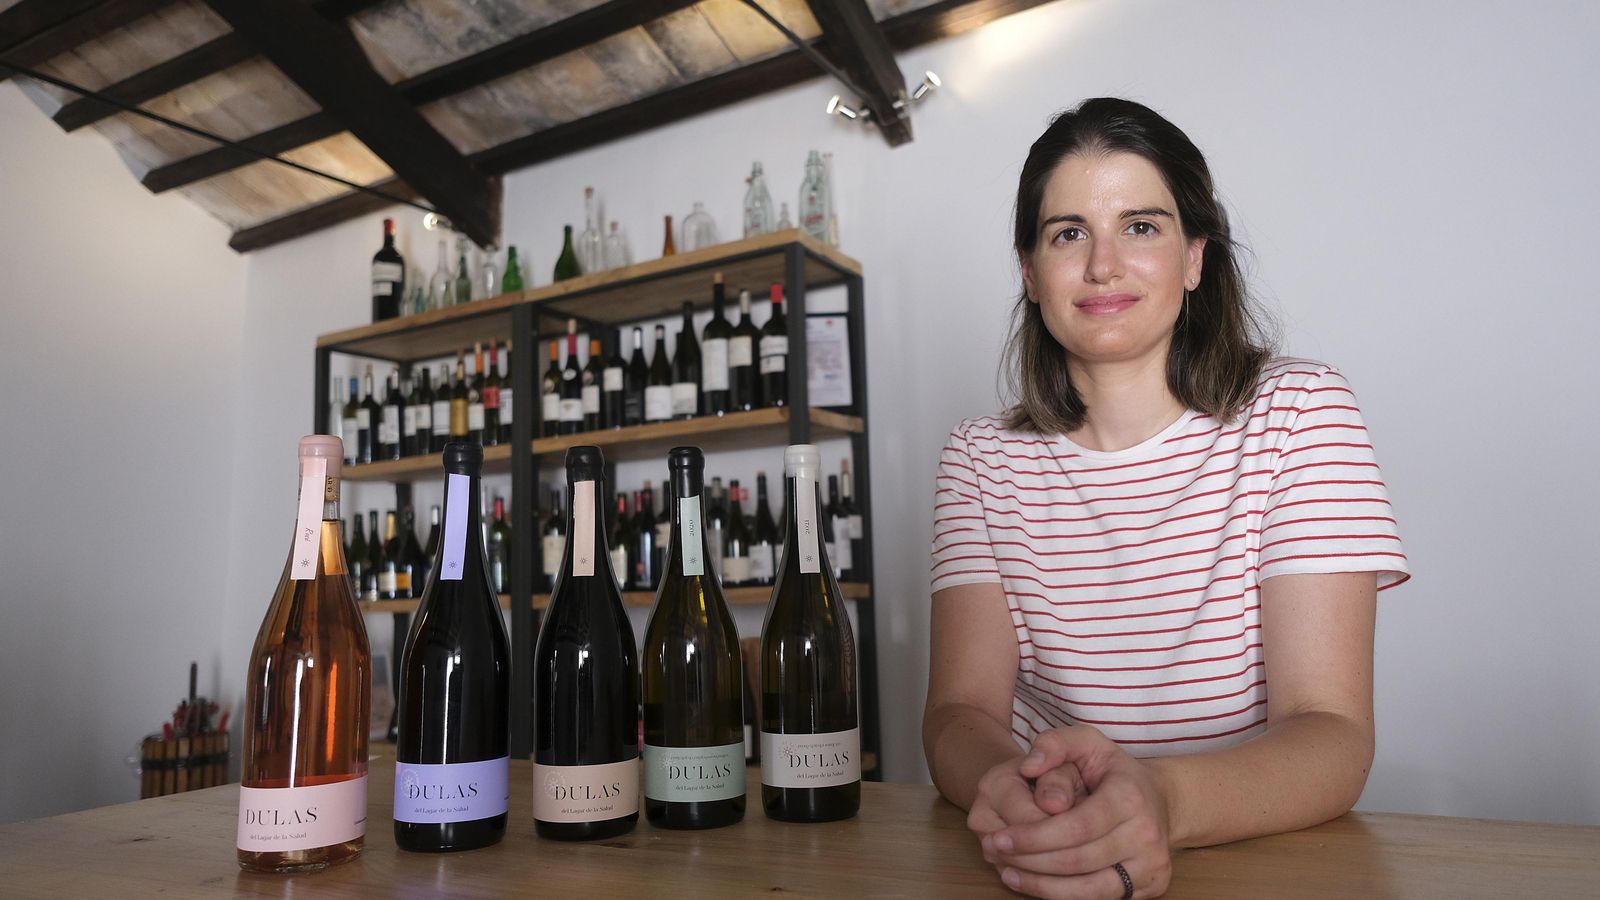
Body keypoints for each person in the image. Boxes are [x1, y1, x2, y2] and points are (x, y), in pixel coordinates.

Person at [922, 98, 1409, 900]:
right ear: (1030, 273)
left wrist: (1159, 800)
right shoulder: (980, 457)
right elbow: (957, 715)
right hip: (1051, 854)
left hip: (1259, 867)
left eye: (1141, 227)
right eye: (1068, 233)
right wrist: (1018, 790)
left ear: (1193, 257)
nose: (1103, 265)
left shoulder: (1301, 413)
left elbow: (1333, 732)